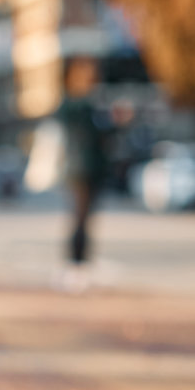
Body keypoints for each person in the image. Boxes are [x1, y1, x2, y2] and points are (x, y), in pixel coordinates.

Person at [55, 55, 111, 291]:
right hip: (79, 169)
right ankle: (74, 265)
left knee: (87, 220)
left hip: (94, 169)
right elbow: (72, 126)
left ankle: (82, 264)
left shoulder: (92, 105)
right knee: (79, 219)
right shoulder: (74, 105)